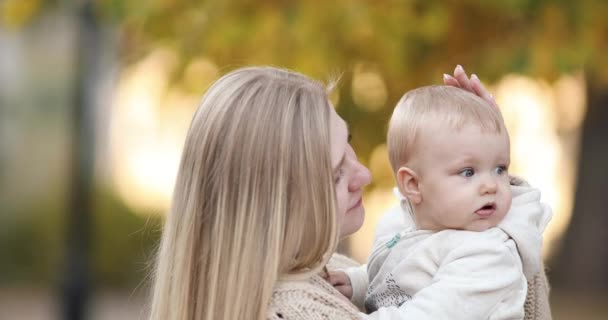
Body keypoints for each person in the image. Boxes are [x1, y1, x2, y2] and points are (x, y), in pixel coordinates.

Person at [148, 65, 551, 320]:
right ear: (279, 203)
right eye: (337, 172)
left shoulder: (327, 270)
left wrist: (482, 155)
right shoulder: (296, 308)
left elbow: (389, 280)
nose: (362, 173)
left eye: (350, 145)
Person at [333, 85, 552, 319]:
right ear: (414, 185)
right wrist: (357, 282)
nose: (491, 185)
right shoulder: (405, 226)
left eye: (500, 169)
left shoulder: (488, 256)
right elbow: (397, 275)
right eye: (468, 172)